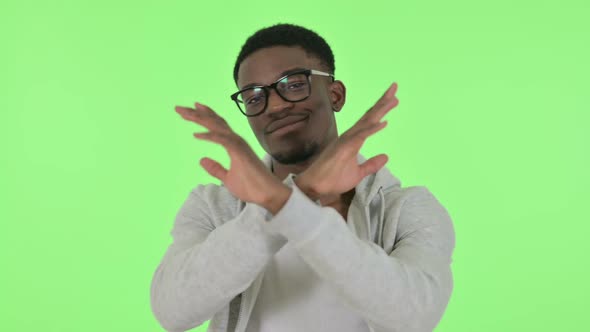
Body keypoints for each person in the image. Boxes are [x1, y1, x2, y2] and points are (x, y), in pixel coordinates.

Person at [150, 23, 455, 332]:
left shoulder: (406, 208)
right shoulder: (214, 206)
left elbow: (413, 316)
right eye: (254, 98)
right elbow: (172, 311)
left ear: (335, 94)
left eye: (294, 84)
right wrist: (302, 193)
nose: (276, 106)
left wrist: (286, 202)